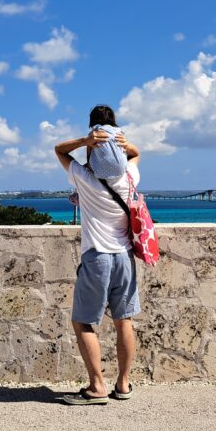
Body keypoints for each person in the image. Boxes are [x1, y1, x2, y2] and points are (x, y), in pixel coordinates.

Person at [54, 106, 141, 406]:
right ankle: (123, 384)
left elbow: (59, 151)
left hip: (97, 257)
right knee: (124, 321)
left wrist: (84, 142)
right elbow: (136, 154)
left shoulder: (84, 178)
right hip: (124, 259)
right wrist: (125, 147)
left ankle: (97, 386)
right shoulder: (129, 176)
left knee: (83, 323)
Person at [85, 104, 128, 180]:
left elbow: (89, 151)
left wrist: (88, 162)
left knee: (90, 146)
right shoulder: (119, 131)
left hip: (99, 173)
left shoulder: (96, 131)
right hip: (121, 171)